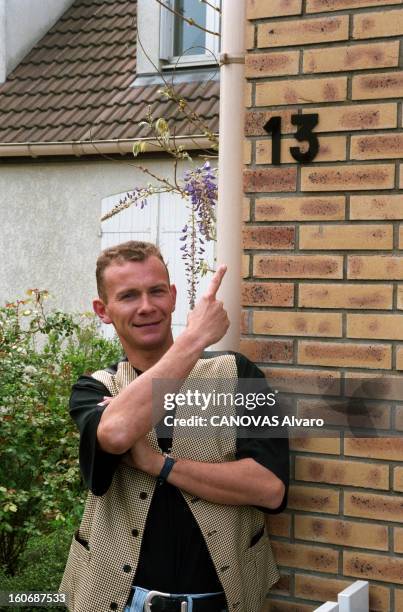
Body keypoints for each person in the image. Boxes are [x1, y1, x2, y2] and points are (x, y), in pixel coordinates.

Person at [60, 240, 289, 612]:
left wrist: (158, 464)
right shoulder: (94, 388)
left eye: (156, 292)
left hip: (223, 601)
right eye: (129, 296)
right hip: (114, 601)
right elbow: (116, 434)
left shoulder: (237, 374)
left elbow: (269, 490)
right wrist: (195, 336)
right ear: (103, 310)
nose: (147, 306)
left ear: (173, 297)